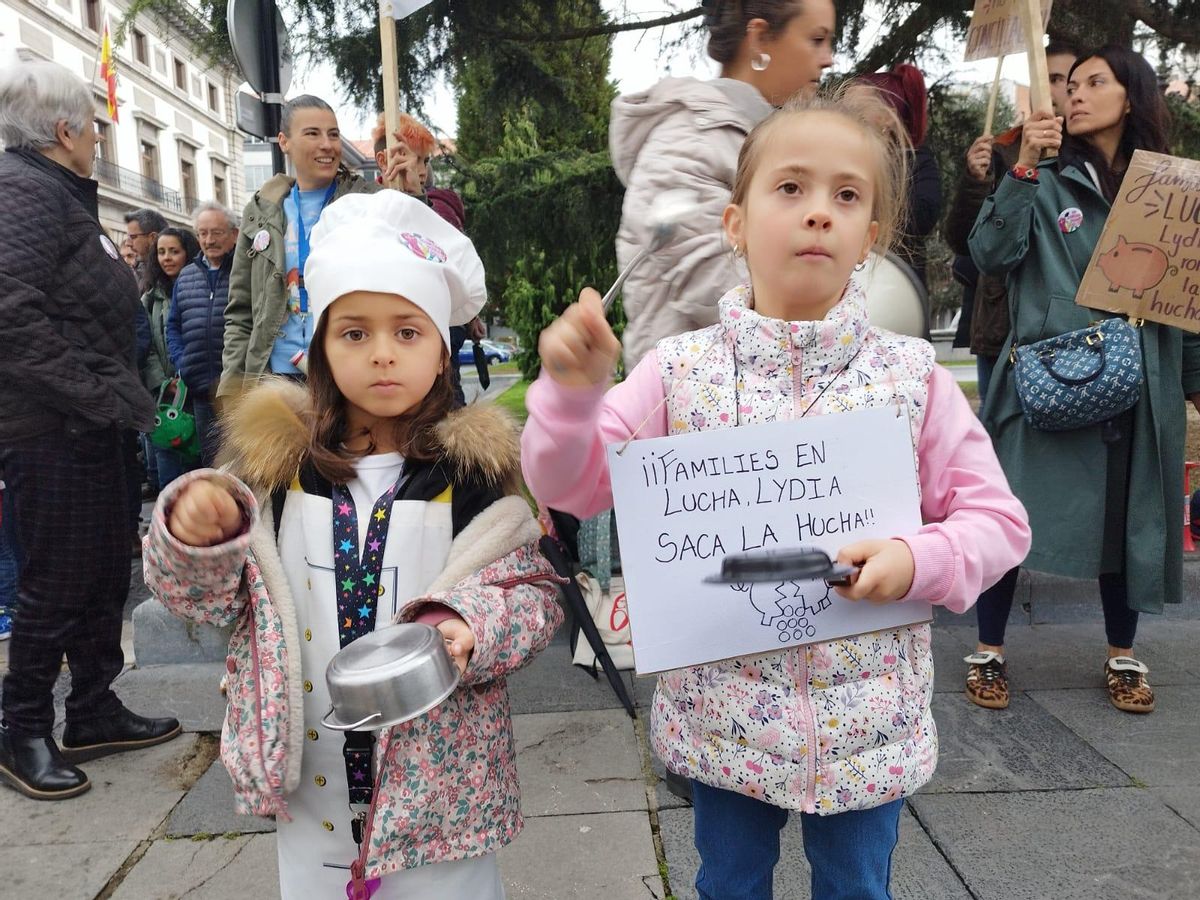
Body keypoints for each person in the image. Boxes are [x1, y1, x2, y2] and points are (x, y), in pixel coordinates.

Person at [522, 87, 1031, 900]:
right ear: (735, 224)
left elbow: (999, 523)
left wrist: (917, 558)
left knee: (857, 889)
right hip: (724, 717)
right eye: (790, 188)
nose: (818, 212)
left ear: (871, 237)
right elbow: (571, 483)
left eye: (847, 195)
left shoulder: (911, 381)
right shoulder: (676, 374)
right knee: (727, 884)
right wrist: (571, 397)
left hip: (868, 725)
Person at [143, 190, 563, 899]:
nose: (381, 355)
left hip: (440, 788)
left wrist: (473, 624)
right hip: (312, 781)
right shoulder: (275, 479)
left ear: (441, 350)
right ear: (320, 352)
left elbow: (531, 597)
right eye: (355, 334)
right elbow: (207, 602)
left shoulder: (473, 483)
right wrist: (193, 536)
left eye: (407, 332)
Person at [965, 46, 1200, 715]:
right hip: (1049, 375)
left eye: (1096, 82)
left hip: (1140, 383)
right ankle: (988, 650)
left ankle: (1123, 653)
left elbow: (1184, 305)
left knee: (1130, 520)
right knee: (1010, 515)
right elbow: (990, 253)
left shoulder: (1169, 190)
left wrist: (1192, 386)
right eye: (1071, 83)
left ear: (1133, 96)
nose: (1077, 93)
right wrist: (1024, 166)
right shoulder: (1040, 175)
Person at [0, 60, 180, 802]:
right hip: (54, 429)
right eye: (95, 122)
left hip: (91, 424)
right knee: (57, 580)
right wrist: (98, 394)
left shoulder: (59, 195)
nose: (102, 134)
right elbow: (9, 315)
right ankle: (21, 730)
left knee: (106, 568)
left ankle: (95, 708)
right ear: (65, 129)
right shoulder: (21, 191)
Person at [610, 0, 836, 369]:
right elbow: (721, 292)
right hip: (691, 409)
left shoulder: (762, 139)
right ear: (761, 37)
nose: (828, 59)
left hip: (755, 398)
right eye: (816, 39)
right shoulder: (688, 142)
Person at [219, 95, 379, 402]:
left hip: (346, 373)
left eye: (333, 134)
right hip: (277, 380)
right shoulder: (260, 213)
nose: (327, 145)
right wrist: (233, 388)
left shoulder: (366, 202)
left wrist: (413, 194)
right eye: (312, 133)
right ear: (284, 141)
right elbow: (241, 311)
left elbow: (418, 253)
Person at [946, 41, 1078, 400]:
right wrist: (976, 181)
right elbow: (965, 241)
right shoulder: (1002, 149)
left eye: (1062, 81)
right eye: (1043, 78)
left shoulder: (1092, 154)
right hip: (1004, 324)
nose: (1050, 91)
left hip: (1076, 322)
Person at [857, 63, 941, 290]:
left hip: (894, 289)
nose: (842, 118)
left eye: (856, 110)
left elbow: (922, 215)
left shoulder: (916, 161)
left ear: (887, 118)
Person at [168, 201, 239, 466]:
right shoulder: (186, 276)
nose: (209, 240)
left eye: (217, 232)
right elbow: (173, 325)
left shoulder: (243, 273)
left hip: (237, 386)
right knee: (212, 460)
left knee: (243, 460)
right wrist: (182, 361)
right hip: (200, 387)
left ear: (234, 235)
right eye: (202, 233)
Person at [141, 226, 202, 486]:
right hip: (165, 397)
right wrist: (162, 384)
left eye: (174, 252)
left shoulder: (199, 288)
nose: (166, 258)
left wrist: (187, 375)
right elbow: (147, 345)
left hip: (197, 388)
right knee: (169, 475)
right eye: (161, 252)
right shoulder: (150, 298)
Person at [123, 207, 169, 292]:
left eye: (133, 237)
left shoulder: (171, 272)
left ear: (153, 238)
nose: (127, 243)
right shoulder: (135, 272)